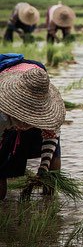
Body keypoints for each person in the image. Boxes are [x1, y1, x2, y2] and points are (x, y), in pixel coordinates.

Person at [0, 53, 66, 200]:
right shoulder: (2, 113)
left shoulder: (50, 113)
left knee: (54, 156)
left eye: (32, 119)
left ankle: (49, 199)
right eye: (24, 120)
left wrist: (43, 169)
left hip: (35, 80)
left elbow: (51, 136)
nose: (26, 124)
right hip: (14, 81)